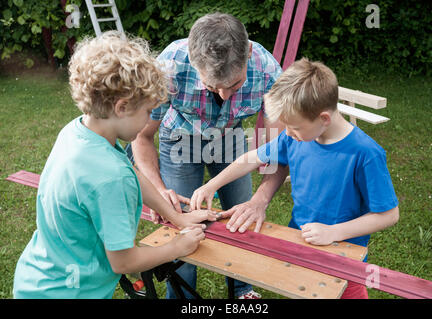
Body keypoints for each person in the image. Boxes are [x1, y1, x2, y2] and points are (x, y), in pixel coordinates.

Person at [13, 31, 216, 299]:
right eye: (146, 111)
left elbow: (132, 174)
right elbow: (124, 262)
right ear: (121, 107)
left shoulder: (79, 133)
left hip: (40, 278)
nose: (147, 122)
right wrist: (176, 248)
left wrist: (177, 217)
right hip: (72, 292)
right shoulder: (109, 177)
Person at [190, 57, 400, 299]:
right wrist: (211, 185)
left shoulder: (366, 154)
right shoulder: (294, 137)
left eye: (294, 127)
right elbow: (252, 158)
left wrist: (334, 232)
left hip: (344, 257)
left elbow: (388, 214)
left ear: (324, 119)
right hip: (301, 242)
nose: (287, 133)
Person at [129, 12, 284, 299]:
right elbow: (142, 136)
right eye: (212, 87)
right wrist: (159, 191)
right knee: (181, 223)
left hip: (230, 140)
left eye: (235, 85)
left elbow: (277, 148)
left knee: (243, 219)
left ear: (248, 52)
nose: (225, 96)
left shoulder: (268, 72)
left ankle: (242, 291)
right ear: (192, 59)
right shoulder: (169, 65)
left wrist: (260, 199)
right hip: (179, 140)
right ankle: (182, 296)